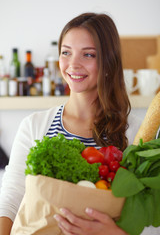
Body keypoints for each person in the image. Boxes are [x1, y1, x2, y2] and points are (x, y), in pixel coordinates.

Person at [0, 12, 150, 235]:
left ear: (109, 62)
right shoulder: (35, 125)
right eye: (66, 53)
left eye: (88, 55)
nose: (73, 64)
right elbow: (11, 199)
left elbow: (145, 217)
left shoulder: (136, 133)